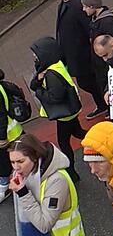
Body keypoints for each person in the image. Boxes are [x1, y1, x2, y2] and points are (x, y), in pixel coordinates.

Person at [29, 36, 84, 181]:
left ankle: (72, 171)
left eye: (36, 55)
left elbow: (55, 97)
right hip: (71, 111)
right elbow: (33, 84)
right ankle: (100, 143)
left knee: (64, 142)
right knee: (78, 132)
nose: (35, 58)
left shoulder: (51, 75)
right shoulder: (54, 66)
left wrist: (39, 92)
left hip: (65, 115)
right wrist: (38, 81)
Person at [55, 0, 107, 118]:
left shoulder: (79, 5)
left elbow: (88, 29)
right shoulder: (63, 4)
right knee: (87, 82)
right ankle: (103, 104)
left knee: (88, 82)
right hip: (73, 55)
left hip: (83, 55)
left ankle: (105, 104)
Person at [0, 69, 25, 201]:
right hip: (13, 131)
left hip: (8, 134)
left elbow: (1, 116)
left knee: (5, 161)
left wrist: (2, 137)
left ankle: (4, 186)